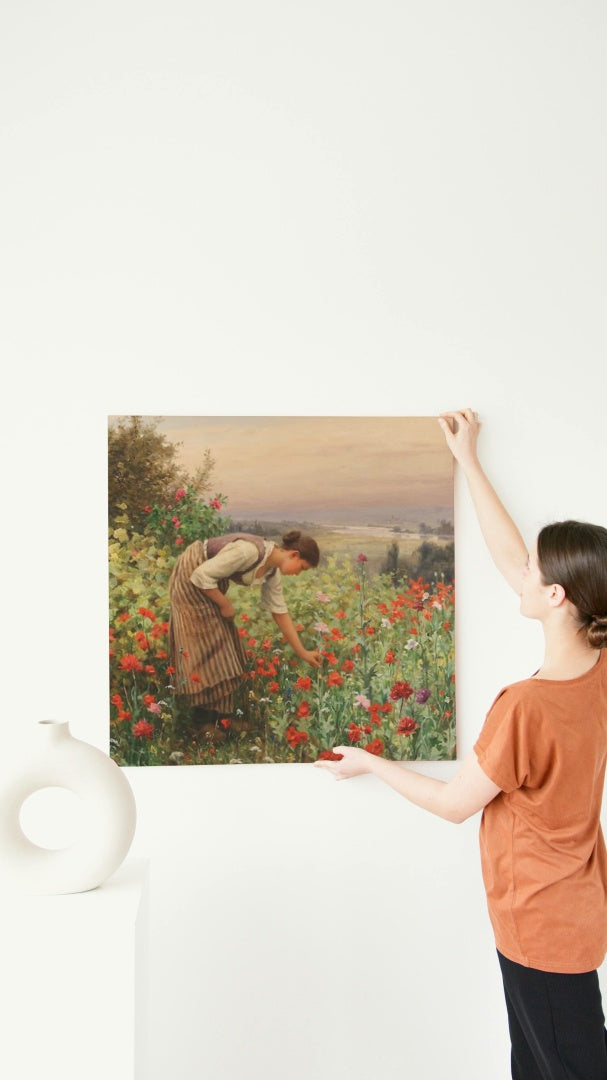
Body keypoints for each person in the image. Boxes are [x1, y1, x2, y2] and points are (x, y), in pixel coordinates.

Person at [315, 408, 607, 1080]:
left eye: (534, 573)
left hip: (541, 924)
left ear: (557, 595)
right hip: (568, 910)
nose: (521, 573)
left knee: (562, 1067)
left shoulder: (526, 707)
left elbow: (453, 804)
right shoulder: (595, 664)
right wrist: (468, 460)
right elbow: (512, 557)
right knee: (538, 1064)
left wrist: (371, 760)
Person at [169, 529, 321, 729]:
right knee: (204, 647)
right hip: (191, 575)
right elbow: (201, 575)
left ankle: (220, 719)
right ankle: (203, 724)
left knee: (225, 647)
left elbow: (280, 612)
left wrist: (303, 652)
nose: (298, 573)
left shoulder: (271, 571)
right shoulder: (248, 551)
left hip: (210, 583)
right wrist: (225, 604)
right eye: (301, 568)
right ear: (294, 554)